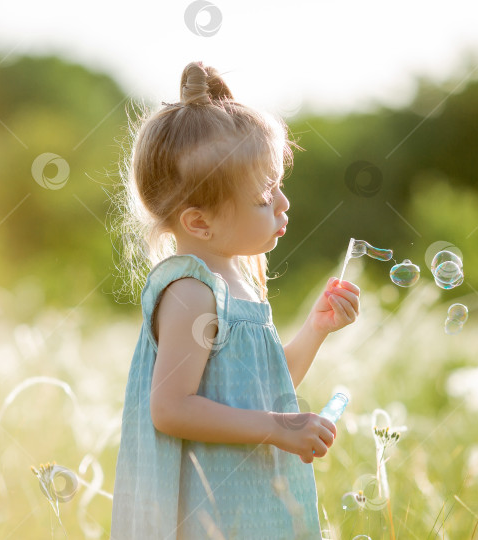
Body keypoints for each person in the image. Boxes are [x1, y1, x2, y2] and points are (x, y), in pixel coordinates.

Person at [109, 61, 361, 540]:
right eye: (265, 196)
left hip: (249, 502)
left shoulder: (234, 281)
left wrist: (316, 329)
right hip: (208, 510)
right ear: (199, 223)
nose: (284, 204)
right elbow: (170, 408)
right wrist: (279, 427)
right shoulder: (190, 291)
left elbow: (266, 386)